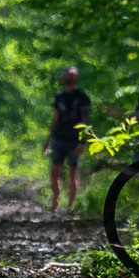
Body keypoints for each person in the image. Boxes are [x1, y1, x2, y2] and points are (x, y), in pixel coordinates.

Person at [46, 66, 91, 214]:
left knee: (73, 172)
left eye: (68, 74)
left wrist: (82, 142)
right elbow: (55, 119)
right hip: (59, 138)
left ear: (75, 77)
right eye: (64, 74)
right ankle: (55, 202)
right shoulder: (60, 97)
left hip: (74, 139)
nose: (64, 77)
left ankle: (70, 206)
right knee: (55, 171)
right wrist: (48, 140)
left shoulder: (82, 97)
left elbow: (85, 121)